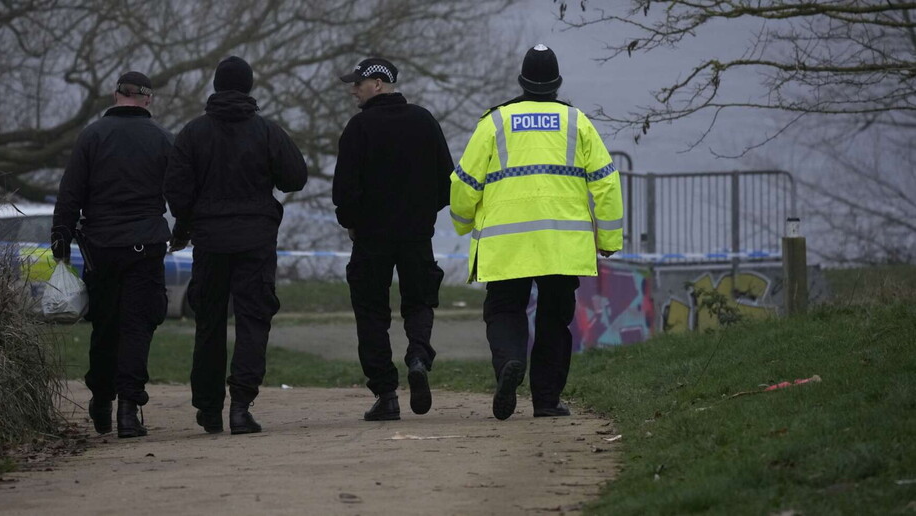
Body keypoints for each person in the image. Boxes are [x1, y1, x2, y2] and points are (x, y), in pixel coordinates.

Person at [449, 45, 623, 420]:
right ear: (557, 84)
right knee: (554, 319)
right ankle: (546, 400)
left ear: (522, 81)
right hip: (562, 244)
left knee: (504, 310)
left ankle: (511, 362)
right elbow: (607, 184)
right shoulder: (578, 123)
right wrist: (608, 240)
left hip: (506, 243)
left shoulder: (494, 123)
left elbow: (464, 183)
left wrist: (462, 223)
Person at [165, 56, 307, 435]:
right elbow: (295, 177)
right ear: (248, 87)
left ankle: (209, 408)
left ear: (215, 86)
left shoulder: (193, 133)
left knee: (208, 324)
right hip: (256, 241)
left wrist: (189, 221)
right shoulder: (266, 131)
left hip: (209, 242)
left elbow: (176, 190)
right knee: (253, 321)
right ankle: (241, 406)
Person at [51, 71, 174, 438]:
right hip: (145, 247)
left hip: (100, 249)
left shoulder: (91, 136)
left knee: (105, 327)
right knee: (138, 326)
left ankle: (102, 399)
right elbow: (182, 192)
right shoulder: (164, 140)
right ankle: (129, 411)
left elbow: (70, 191)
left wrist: (60, 235)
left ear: (115, 94)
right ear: (148, 99)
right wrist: (184, 231)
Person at [333, 56, 454, 421]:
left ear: (379, 84)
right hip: (417, 236)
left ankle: (386, 394)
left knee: (371, 314)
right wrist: (422, 213)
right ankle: (417, 355)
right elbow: (447, 181)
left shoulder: (358, 128)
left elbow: (344, 191)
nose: (353, 89)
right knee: (419, 302)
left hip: (371, 239)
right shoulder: (424, 121)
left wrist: (352, 222)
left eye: (358, 83)